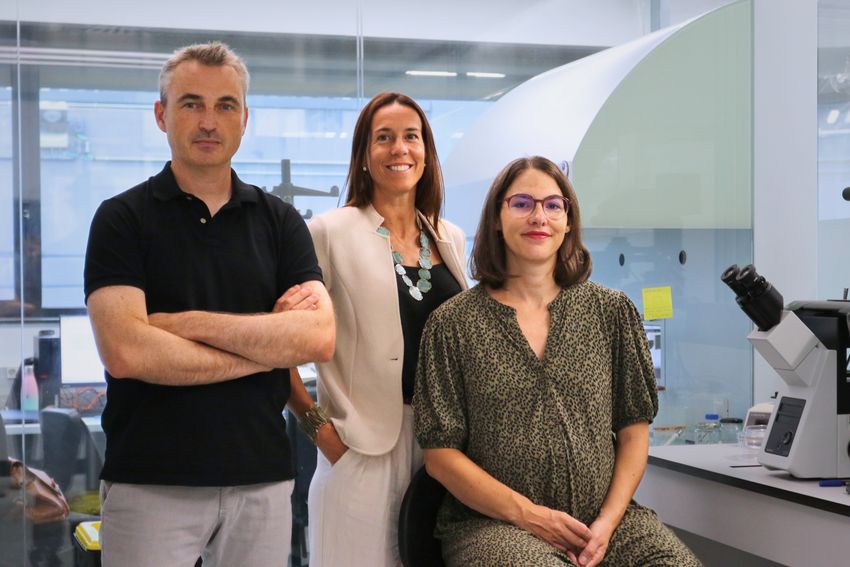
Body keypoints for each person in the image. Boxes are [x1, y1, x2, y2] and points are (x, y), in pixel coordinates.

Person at [84, 42, 335, 567]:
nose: (208, 121)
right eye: (191, 103)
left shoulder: (280, 222)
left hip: (262, 480)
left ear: (244, 119)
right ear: (161, 114)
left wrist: (183, 325)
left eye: (225, 106)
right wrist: (265, 346)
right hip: (151, 481)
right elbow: (128, 353)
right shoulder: (121, 219)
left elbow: (315, 338)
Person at [414, 156, 701, 567]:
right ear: (496, 218)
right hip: (495, 525)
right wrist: (529, 515)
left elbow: (634, 432)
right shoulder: (453, 325)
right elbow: (440, 457)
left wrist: (606, 523)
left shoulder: (610, 312)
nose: (539, 217)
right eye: (522, 203)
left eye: (553, 205)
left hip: (605, 522)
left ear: (568, 220)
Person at [299, 92, 468, 566]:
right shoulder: (329, 232)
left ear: (427, 152)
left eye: (411, 137)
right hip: (360, 448)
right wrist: (322, 434)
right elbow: (279, 350)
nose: (400, 149)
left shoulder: (448, 236)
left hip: (442, 448)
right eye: (384, 138)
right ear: (364, 155)